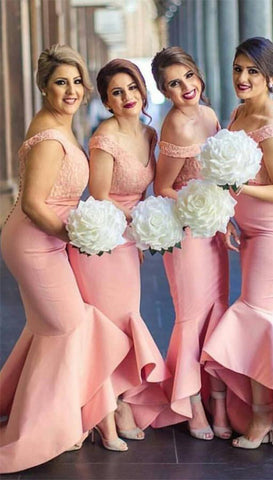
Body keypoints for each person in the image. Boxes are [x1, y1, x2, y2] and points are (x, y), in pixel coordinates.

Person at [0, 45, 135, 473]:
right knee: (69, 325)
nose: (72, 89)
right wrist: (75, 235)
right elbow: (35, 205)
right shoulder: (48, 136)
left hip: (47, 240)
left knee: (54, 329)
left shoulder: (60, 125)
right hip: (35, 242)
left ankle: (70, 417)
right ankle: (44, 428)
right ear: (44, 87)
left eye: (77, 81)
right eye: (61, 82)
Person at [202, 37, 273, 453]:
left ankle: (266, 413)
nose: (242, 77)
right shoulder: (238, 113)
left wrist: (239, 188)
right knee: (263, 317)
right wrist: (229, 213)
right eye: (238, 69)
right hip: (250, 232)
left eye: (253, 71)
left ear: (271, 77)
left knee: (256, 315)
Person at [67, 59, 170, 448]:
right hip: (102, 240)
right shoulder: (104, 137)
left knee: (128, 321)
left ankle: (122, 402)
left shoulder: (149, 133)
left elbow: (148, 189)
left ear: (143, 90)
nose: (127, 97)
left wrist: (145, 232)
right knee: (108, 329)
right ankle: (105, 415)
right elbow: (101, 196)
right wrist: (140, 218)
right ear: (107, 102)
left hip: (128, 243)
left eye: (132, 88)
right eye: (117, 92)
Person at [150, 46, 231, 441]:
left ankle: (218, 398)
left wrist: (223, 214)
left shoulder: (211, 116)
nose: (185, 88)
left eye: (188, 77)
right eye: (173, 84)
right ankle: (192, 400)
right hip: (186, 231)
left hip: (214, 229)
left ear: (198, 75)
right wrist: (195, 207)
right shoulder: (175, 126)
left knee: (217, 309)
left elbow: (218, 177)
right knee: (191, 316)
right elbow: (162, 185)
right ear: (165, 92)